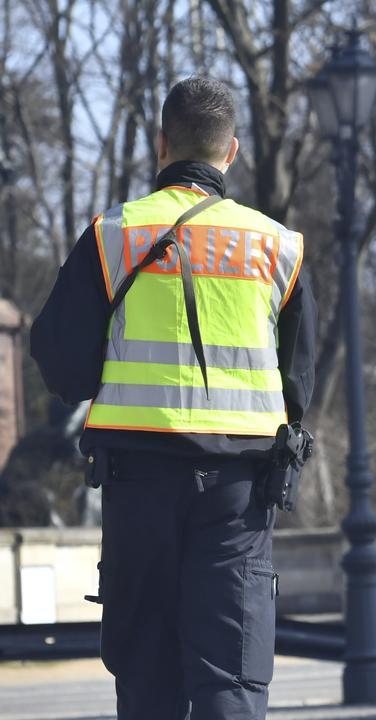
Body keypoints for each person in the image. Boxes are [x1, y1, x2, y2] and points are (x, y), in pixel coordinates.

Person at [29, 77, 316, 720]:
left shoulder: (112, 235)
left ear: (161, 144)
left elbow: (61, 363)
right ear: (232, 151)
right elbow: (300, 382)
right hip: (241, 489)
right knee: (231, 677)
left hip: (139, 479)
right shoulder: (279, 246)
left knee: (147, 674)